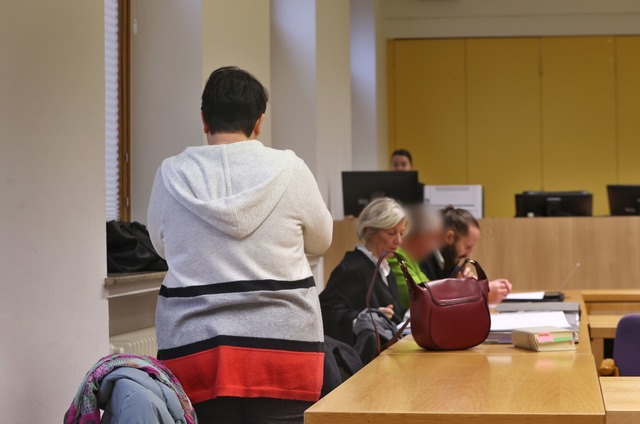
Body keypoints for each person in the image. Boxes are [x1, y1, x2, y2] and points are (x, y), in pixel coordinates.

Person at [147, 66, 333, 424]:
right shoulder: (291, 169)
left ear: (204, 119)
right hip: (285, 354)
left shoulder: (170, 174)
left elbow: (161, 245)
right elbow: (321, 241)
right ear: (259, 122)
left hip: (195, 353)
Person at [319, 198, 408, 356]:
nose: (398, 240)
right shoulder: (352, 269)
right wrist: (366, 317)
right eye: (391, 233)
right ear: (370, 231)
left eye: (401, 233)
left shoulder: (385, 268)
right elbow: (327, 314)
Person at [421, 206, 512, 304]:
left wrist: (473, 284)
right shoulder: (421, 258)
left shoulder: (448, 260)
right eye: (467, 247)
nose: (469, 254)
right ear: (449, 237)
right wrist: (480, 294)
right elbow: (428, 298)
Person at [387, 205, 443, 308]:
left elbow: (429, 287)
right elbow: (418, 294)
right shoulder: (394, 253)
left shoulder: (411, 256)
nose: (434, 244)